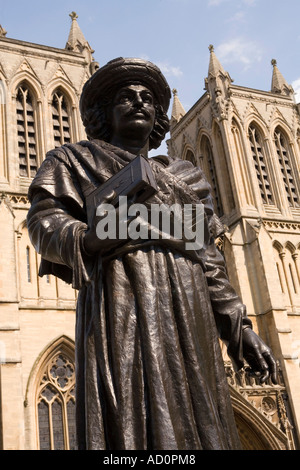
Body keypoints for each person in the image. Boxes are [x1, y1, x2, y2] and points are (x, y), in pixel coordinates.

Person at [27, 57, 277, 450]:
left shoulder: (186, 176)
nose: (139, 102)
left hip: (189, 311)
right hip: (121, 304)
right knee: (131, 420)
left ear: (159, 115)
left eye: (147, 98)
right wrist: (87, 239)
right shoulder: (73, 161)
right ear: (104, 112)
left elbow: (210, 259)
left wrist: (240, 329)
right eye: (126, 97)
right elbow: (44, 220)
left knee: (201, 422)